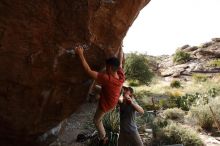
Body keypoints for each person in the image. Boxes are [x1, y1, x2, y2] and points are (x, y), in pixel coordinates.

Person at [75, 46, 125, 144]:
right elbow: (120, 60)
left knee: (96, 120)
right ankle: (92, 95)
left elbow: (89, 71)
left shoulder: (107, 78)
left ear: (110, 68)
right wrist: (120, 47)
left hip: (108, 103)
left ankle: (103, 138)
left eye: (106, 67)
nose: (105, 68)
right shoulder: (121, 74)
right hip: (112, 97)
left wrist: (80, 54)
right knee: (95, 88)